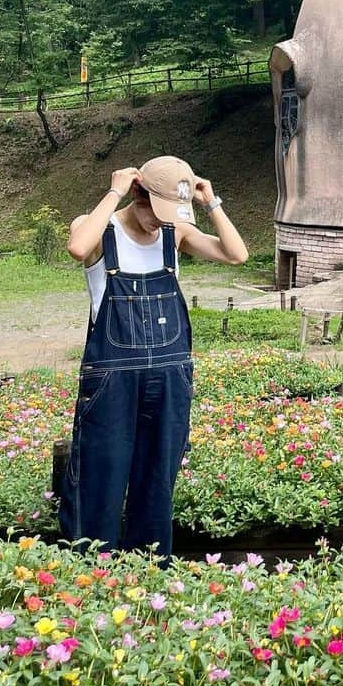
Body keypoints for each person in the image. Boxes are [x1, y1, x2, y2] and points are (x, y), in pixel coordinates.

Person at [61, 155, 248, 558]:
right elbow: (77, 247)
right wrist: (114, 191)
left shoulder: (174, 234)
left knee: (157, 480)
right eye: (155, 212)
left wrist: (210, 201)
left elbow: (237, 255)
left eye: (169, 215)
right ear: (139, 194)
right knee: (101, 478)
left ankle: (148, 572)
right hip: (112, 382)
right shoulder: (101, 232)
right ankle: (94, 571)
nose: (160, 223)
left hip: (169, 377)